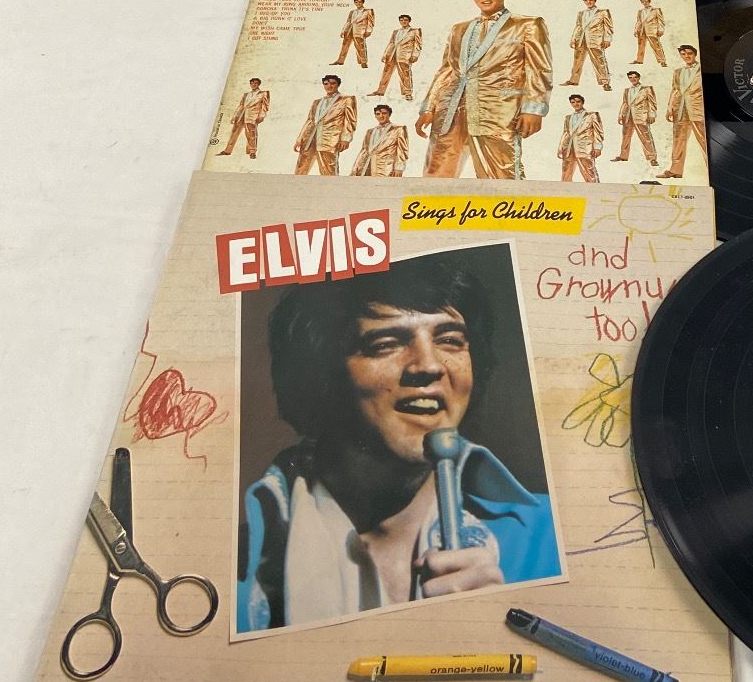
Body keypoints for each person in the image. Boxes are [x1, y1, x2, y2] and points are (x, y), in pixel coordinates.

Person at [237, 254, 561, 630]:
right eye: (385, 344)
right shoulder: (240, 566)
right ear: (319, 376)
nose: (429, 365)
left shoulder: (550, 537)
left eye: (450, 340)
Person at [417, 0, 551, 179]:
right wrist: (429, 107)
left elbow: (538, 68)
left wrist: (534, 109)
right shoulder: (459, 28)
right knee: (435, 174)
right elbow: (446, 70)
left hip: (498, 109)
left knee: (501, 175)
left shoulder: (528, 24)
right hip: (450, 110)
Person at [294, 74, 357, 175]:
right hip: (309, 139)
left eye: (332, 83)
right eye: (326, 84)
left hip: (329, 139)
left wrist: (345, 139)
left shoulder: (346, 99)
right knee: (300, 169)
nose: (329, 86)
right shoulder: (317, 102)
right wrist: (300, 139)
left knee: (329, 171)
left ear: (338, 85)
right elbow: (310, 121)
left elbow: (350, 120)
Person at [660, 45, 707, 178]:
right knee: (678, 140)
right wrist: (669, 107)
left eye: (689, 53)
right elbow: (675, 90)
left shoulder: (702, 69)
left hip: (697, 109)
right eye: (683, 54)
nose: (687, 56)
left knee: (704, 140)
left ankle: (712, 169)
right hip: (680, 109)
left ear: (695, 54)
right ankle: (675, 170)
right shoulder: (678, 71)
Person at [563, 0, 613, 91]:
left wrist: (607, 39)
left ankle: (605, 82)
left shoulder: (603, 12)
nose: (588, 2)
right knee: (577, 60)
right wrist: (573, 39)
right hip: (581, 39)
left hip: (595, 40)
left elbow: (608, 26)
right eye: (585, 0)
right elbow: (578, 26)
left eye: (590, 0)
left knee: (599, 61)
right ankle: (573, 80)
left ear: (595, 0)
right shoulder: (581, 13)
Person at [373, 13, 422, 101]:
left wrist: (415, 55)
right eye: (401, 20)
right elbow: (391, 43)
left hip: (404, 55)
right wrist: (385, 54)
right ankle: (380, 91)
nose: (403, 22)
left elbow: (418, 44)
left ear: (409, 21)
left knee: (405, 74)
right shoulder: (396, 31)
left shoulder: (415, 31)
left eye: (405, 20)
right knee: (386, 73)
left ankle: (407, 93)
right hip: (392, 54)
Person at [613, 71, 658, 166]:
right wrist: (621, 115)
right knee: (625, 137)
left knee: (646, 137)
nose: (633, 79)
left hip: (641, 116)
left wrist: (652, 114)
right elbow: (625, 103)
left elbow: (652, 102)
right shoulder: (627, 90)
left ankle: (652, 158)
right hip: (628, 116)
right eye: (630, 78)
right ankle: (623, 156)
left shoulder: (647, 89)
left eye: (635, 77)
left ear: (639, 78)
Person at [352, 104, 409, 176]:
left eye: (384, 113)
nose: (381, 116)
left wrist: (399, 167)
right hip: (367, 168)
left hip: (387, 169)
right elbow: (364, 150)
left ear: (389, 114)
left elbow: (402, 150)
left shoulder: (399, 129)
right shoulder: (369, 131)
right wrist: (355, 168)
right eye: (378, 114)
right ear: (375, 116)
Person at [219, 78, 270, 159]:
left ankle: (252, 152)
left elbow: (265, 106)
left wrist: (262, 115)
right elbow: (241, 105)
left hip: (252, 116)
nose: (253, 85)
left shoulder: (263, 93)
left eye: (255, 83)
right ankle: (227, 150)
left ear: (258, 84)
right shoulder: (246, 94)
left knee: (251, 133)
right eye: (252, 83)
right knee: (234, 132)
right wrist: (235, 116)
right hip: (241, 115)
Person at [557, 94, 603, 182]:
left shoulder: (592, 115)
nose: (575, 104)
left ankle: (595, 189)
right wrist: (560, 148)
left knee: (589, 173)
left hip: (585, 147)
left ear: (582, 102)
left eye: (578, 101)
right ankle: (565, 189)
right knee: (566, 173)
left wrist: (598, 147)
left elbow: (598, 132)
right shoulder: (568, 117)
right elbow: (565, 133)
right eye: (573, 102)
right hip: (568, 148)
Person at [333, 0, 376, 70]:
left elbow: (371, 22)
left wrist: (369, 31)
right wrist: (343, 30)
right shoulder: (352, 12)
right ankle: (340, 61)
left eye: (359, 2)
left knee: (360, 46)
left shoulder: (368, 11)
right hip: (349, 30)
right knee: (344, 45)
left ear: (363, 2)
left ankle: (363, 62)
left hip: (359, 30)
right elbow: (348, 22)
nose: (358, 3)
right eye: (356, 2)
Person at [634, 0, 667, 66]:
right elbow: (639, 21)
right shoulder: (640, 11)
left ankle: (662, 61)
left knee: (656, 45)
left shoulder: (656, 10)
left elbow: (661, 21)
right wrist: (636, 29)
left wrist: (661, 29)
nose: (644, 3)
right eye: (643, 2)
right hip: (642, 30)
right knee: (641, 45)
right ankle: (639, 60)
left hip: (652, 30)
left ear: (649, 1)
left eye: (646, 1)